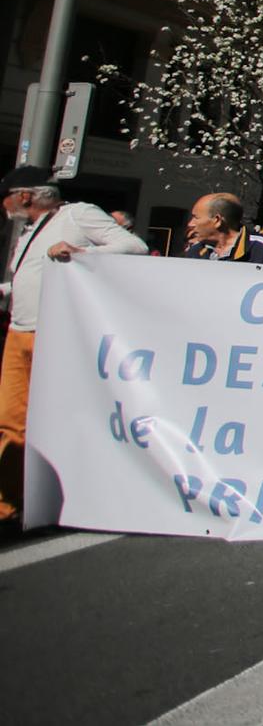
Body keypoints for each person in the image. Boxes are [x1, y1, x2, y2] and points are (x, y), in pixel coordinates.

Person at [0, 166, 150, 527]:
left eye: (6, 196)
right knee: (10, 419)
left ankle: (58, 499)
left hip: (55, 332)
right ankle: (8, 504)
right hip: (20, 332)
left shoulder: (77, 214)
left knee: (54, 417)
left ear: (24, 195)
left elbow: (134, 246)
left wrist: (80, 251)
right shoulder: (30, 230)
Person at [187, 193, 263, 265]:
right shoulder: (195, 252)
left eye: (196, 217)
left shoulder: (262, 249)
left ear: (217, 220)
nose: (190, 224)